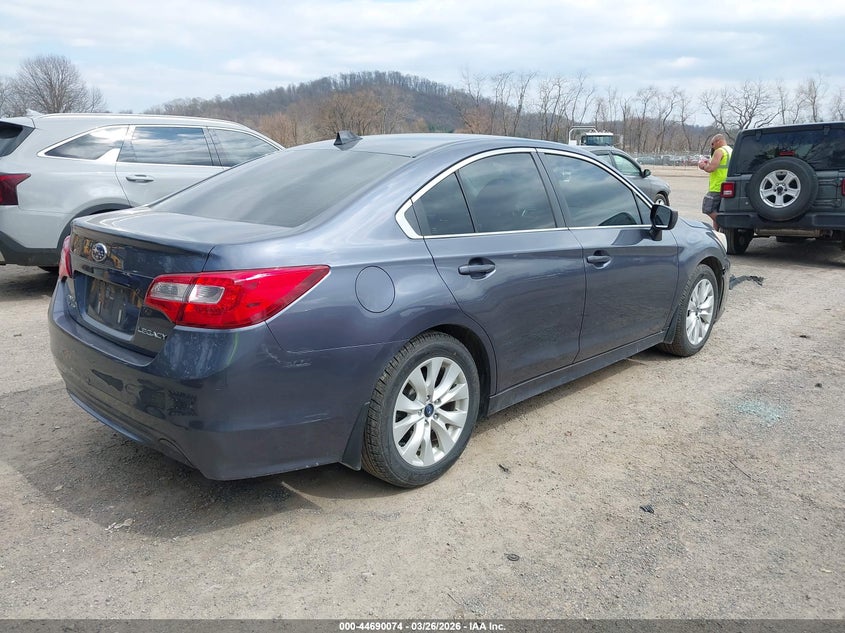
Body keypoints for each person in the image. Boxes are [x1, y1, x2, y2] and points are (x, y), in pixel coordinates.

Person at [697, 133, 732, 231]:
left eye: (712, 144)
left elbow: (711, 168)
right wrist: (709, 162)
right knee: (718, 210)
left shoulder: (719, 151)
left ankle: (725, 224)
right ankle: (716, 231)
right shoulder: (730, 151)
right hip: (727, 185)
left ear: (718, 141)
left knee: (708, 208)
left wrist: (702, 166)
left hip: (717, 186)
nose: (712, 147)